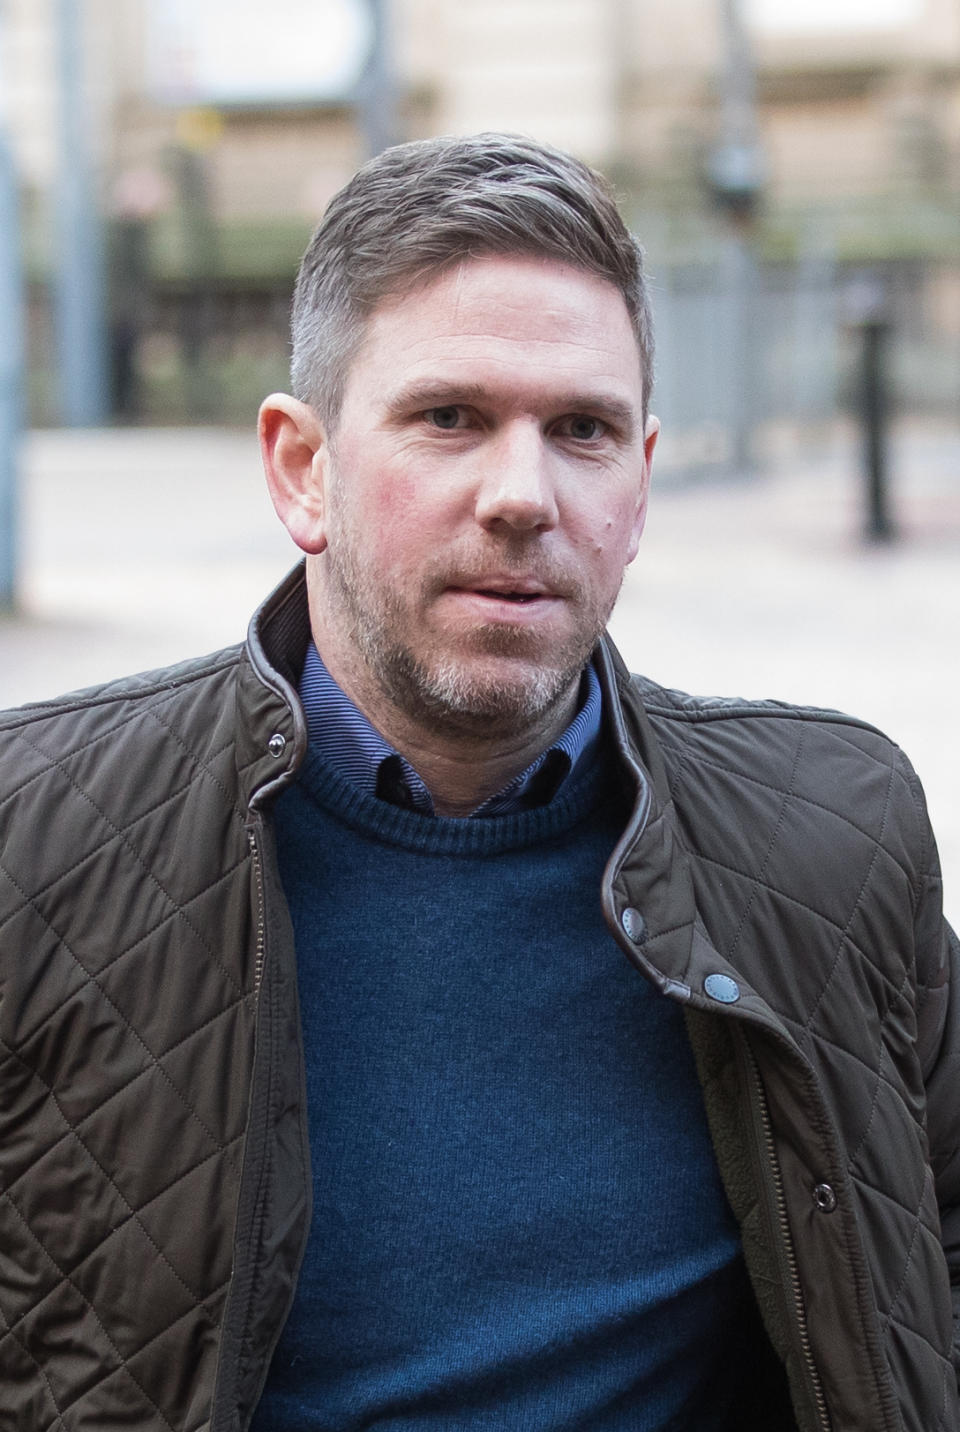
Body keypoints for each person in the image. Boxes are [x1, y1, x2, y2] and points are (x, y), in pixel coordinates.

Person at [0, 134, 957, 1432]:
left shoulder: (830, 838)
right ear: (303, 467)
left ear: (639, 484)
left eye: (582, 431)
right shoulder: (39, 840)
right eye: (450, 418)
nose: (524, 495)